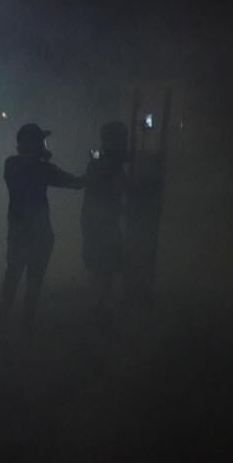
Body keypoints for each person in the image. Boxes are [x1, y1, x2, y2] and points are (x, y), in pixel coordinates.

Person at [0, 123, 83, 339]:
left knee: (13, 277)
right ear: (33, 144)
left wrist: (43, 160)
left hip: (20, 230)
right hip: (38, 233)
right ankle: (23, 326)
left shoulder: (12, 164)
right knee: (31, 281)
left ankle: (4, 323)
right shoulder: (39, 167)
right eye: (41, 141)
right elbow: (76, 183)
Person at [81, 121, 129, 325]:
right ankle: (100, 302)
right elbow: (120, 183)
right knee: (103, 259)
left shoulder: (100, 157)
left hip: (97, 218)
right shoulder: (102, 159)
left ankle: (100, 301)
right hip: (99, 218)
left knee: (102, 260)